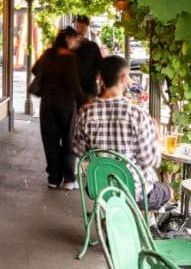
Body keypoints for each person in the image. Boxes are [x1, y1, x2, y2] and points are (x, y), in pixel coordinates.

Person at [73, 55, 172, 210]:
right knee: (166, 192)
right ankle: (145, 225)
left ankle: (117, 222)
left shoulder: (85, 113)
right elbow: (151, 161)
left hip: (100, 189)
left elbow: (79, 152)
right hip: (134, 192)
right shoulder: (138, 115)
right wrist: (156, 139)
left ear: (101, 78)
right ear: (123, 78)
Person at [31, 27, 83, 190]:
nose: (76, 43)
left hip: (47, 103)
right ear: (68, 39)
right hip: (66, 104)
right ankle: (68, 179)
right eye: (74, 39)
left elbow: (34, 69)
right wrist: (83, 102)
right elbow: (75, 86)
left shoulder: (48, 54)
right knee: (68, 140)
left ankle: (53, 178)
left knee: (50, 141)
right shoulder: (70, 58)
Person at [74, 35, 103, 109]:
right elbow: (100, 65)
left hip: (83, 87)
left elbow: (100, 65)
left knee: (85, 112)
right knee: (88, 112)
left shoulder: (91, 46)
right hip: (85, 87)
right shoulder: (92, 46)